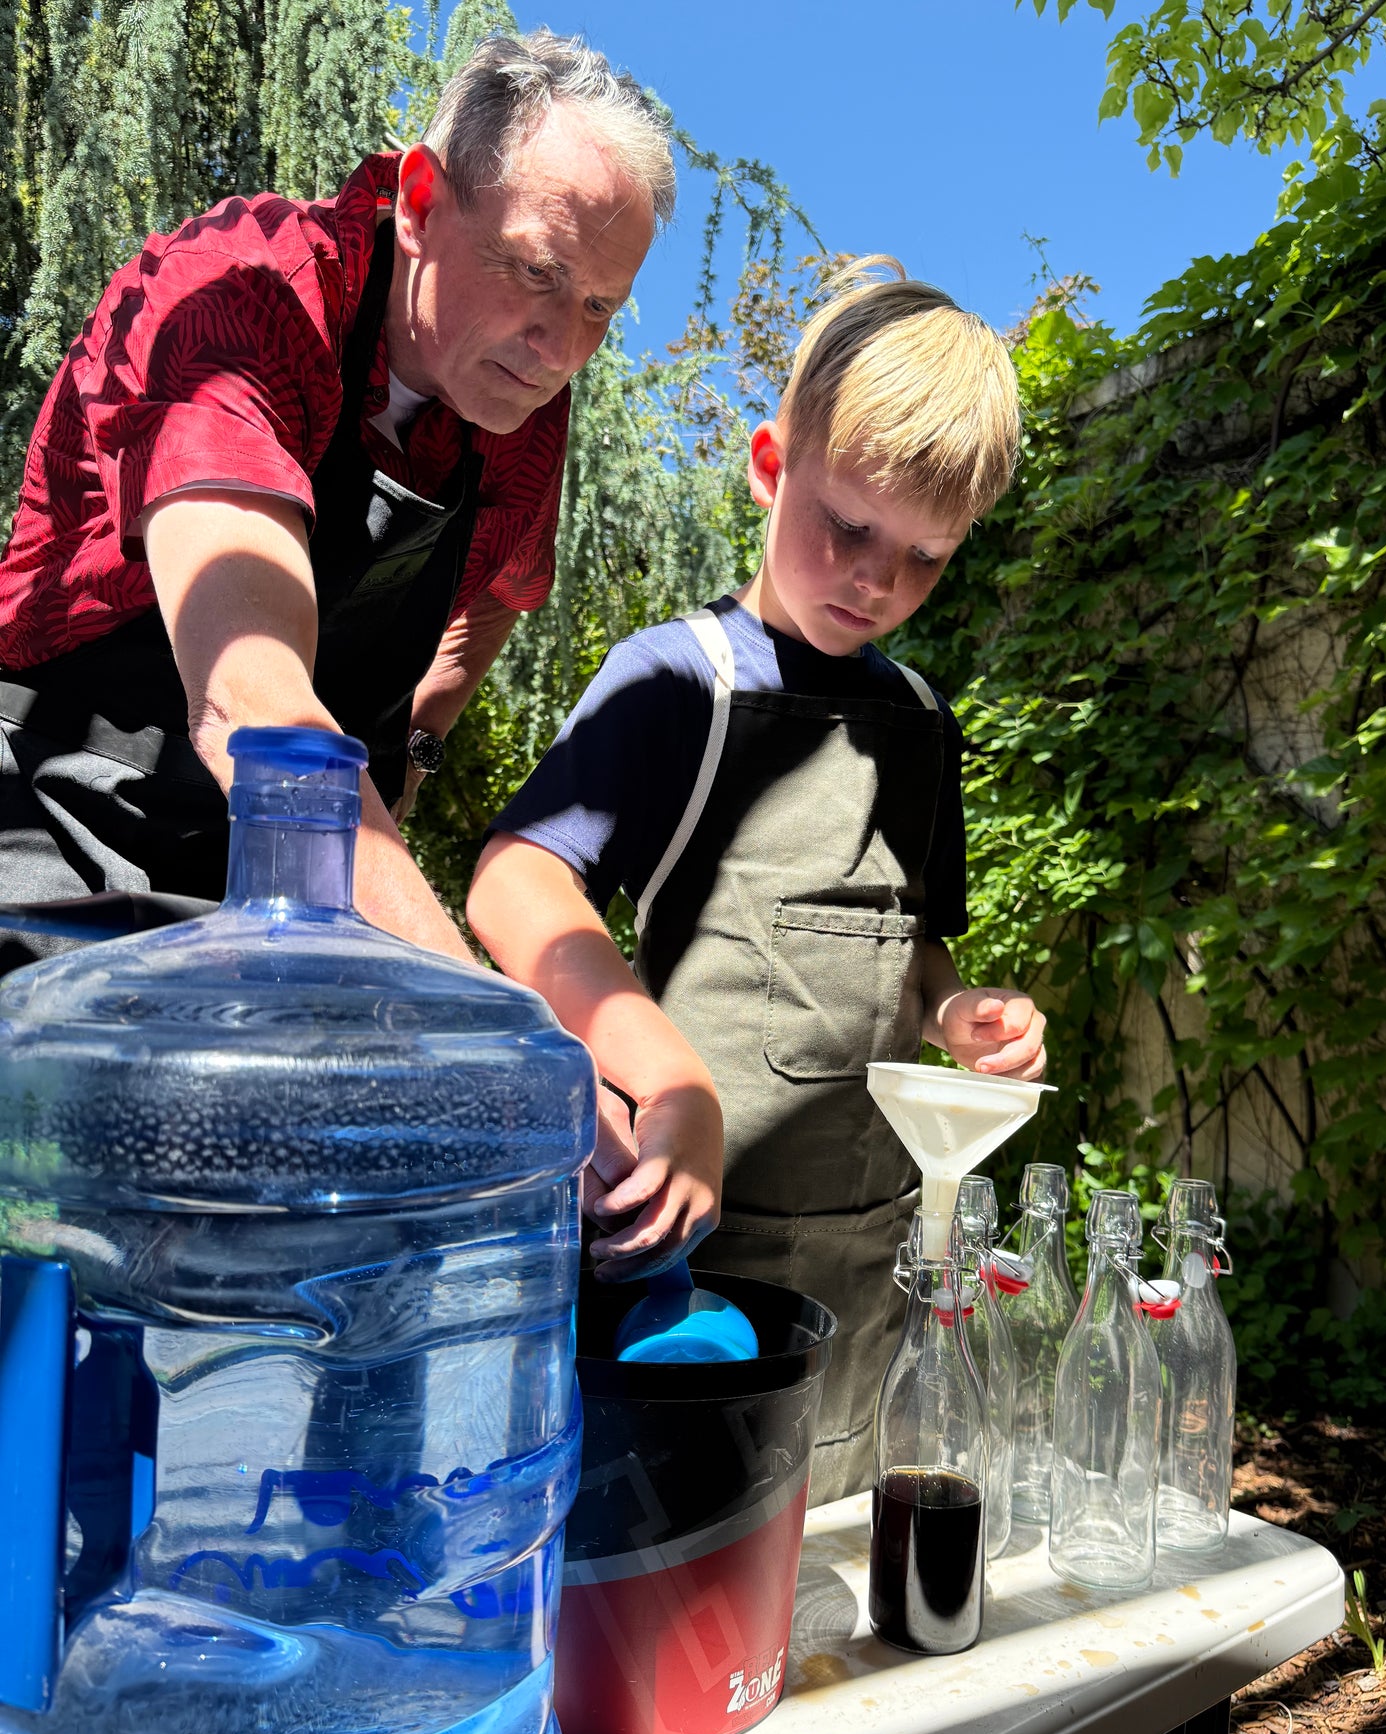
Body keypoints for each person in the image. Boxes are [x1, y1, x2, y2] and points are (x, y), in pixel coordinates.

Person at [467, 261, 1048, 1502]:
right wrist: (653, 1068)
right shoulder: (678, 683)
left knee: (833, 1555)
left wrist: (954, 1013)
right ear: (769, 464)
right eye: (847, 525)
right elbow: (515, 881)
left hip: (870, 1253)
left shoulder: (922, 721)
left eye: (923, 557)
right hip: (694, 1268)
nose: (875, 582)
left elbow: (913, 940)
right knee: (683, 1562)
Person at [0, 30, 670, 975]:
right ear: (422, 203)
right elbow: (252, 702)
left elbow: (506, 586)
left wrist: (416, 744)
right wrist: (470, 1002)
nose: (561, 347)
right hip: (53, 803)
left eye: (600, 306)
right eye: (536, 272)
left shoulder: (524, 414)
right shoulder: (242, 294)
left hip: (279, 871)